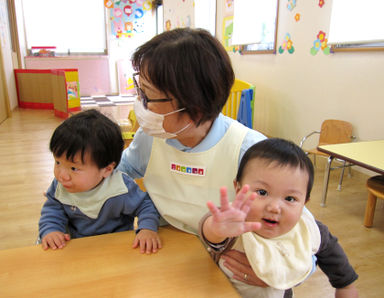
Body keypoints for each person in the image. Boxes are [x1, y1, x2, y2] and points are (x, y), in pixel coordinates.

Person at [199, 138, 358, 298]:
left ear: (304, 203)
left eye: (290, 199)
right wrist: (215, 228)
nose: (274, 207)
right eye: (262, 192)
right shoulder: (235, 221)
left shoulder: (306, 228)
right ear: (238, 188)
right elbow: (212, 237)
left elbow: (331, 251)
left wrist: (345, 285)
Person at [39, 109, 161, 254]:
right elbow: (52, 209)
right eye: (58, 162)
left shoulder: (120, 188)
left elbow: (145, 205)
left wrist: (147, 229)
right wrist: (51, 230)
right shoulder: (61, 185)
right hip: (76, 248)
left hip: (117, 248)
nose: (62, 175)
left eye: (73, 168)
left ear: (107, 170)